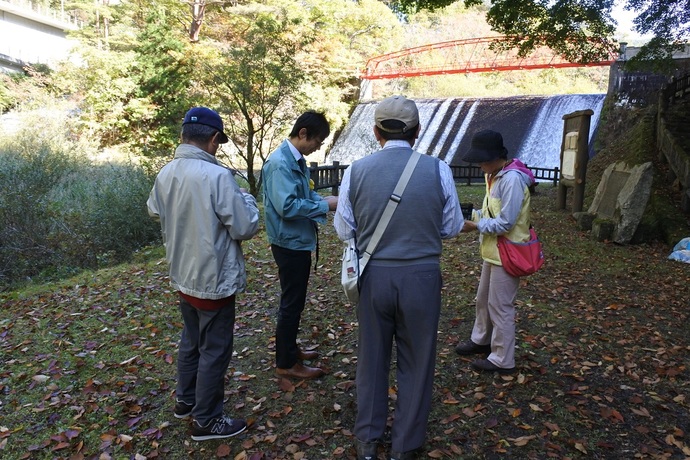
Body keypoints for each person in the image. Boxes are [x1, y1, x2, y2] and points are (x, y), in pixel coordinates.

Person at [334, 95, 465, 460]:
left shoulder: (356, 171)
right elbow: (452, 226)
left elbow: (344, 229)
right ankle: (406, 444)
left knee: (372, 356)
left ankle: (367, 438)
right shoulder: (438, 169)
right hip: (422, 276)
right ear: (417, 131)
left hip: (374, 276)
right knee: (418, 359)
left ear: (376, 132)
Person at [147, 107, 260, 441]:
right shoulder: (218, 177)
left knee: (191, 340)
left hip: (183, 274)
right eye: (218, 142)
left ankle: (186, 400)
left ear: (183, 136)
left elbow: (154, 210)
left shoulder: (166, 173)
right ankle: (207, 420)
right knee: (214, 349)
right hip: (212, 278)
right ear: (213, 139)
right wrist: (248, 200)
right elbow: (244, 226)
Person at [262, 111, 338, 380]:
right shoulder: (280, 163)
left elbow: (302, 194)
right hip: (288, 243)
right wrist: (326, 205)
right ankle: (286, 362)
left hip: (296, 241)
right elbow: (287, 206)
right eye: (317, 140)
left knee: (295, 301)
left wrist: (324, 198)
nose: (318, 146)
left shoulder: (295, 160)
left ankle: (291, 350)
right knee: (291, 303)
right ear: (303, 133)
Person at [454, 129, 535, 375]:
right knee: (483, 300)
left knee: (501, 306)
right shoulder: (495, 175)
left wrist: (476, 225)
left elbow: (506, 222)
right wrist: (473, 220)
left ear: (493, 157)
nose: (479, 165)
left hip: (508, 251)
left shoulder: (511, 180)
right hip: (493, 250)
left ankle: (502, 359)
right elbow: (491, 213)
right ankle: (482, 339)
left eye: (481, 160)